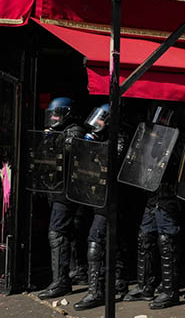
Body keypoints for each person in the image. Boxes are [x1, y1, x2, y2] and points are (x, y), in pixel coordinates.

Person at [123, 106, 180, 305]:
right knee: (145, 239)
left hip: (166, 198)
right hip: (151, 196)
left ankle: (170, 290)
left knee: (166, 243)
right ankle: (145, 286)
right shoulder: (153, 140)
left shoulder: (177, 141)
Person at [74, 103, 127, 310]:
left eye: (102, 119)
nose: (98, 123)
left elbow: (116, 158)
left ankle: (96, 292)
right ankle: (118, 283)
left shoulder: (119, 137)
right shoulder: (97, 136)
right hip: (96, 195)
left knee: (96, 240)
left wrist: (98, 146)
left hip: (110, 198)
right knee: (113, 241)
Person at [37, 97, 89, 300]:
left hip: (67, 191)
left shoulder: (74, 131)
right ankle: (76, 271)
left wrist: (50, 140)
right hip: (57, 189)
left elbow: (64, 156)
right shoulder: (56, 132)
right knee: (70, 231)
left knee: (57, 232)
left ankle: (61, 282)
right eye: (51, 114)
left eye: (57, 113)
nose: (53, 117)